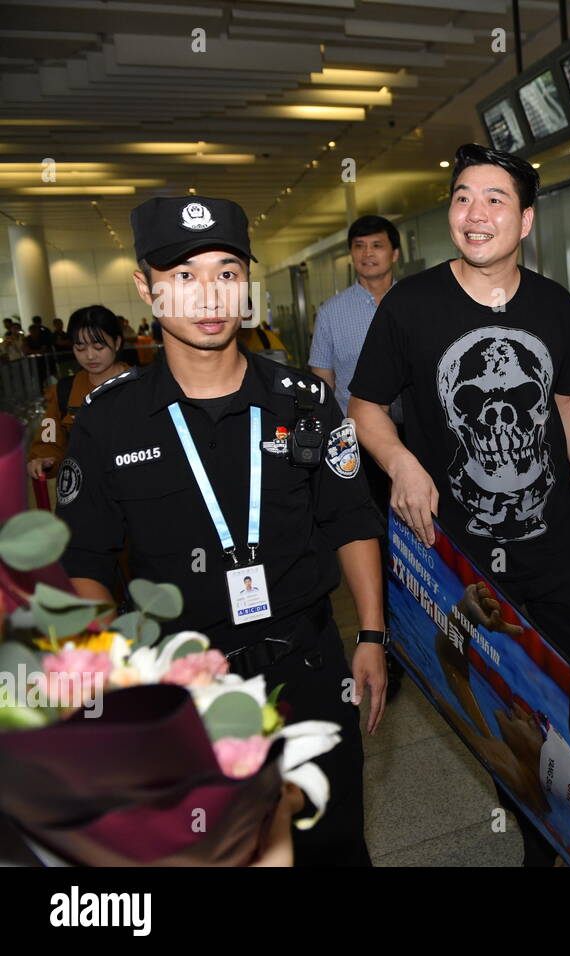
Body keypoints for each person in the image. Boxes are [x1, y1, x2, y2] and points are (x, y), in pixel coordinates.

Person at [56, 194, 388, 867]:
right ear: (145, 289)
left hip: (308, 664)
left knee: (332, 843)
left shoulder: (305, 402)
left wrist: (374, 635)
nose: (209, 295)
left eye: (228, 272)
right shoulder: (109, 423)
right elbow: (85, 560)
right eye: (183, 275)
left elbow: (348, 518)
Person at [349, 143, 570, 867]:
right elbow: (365, 407)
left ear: (525, 220)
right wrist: (399, 461)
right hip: (462, 557)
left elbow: (561, 403)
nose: (475, 212)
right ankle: (537, 840)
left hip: (556, 547)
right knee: (503, 705)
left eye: (495, 199)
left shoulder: (555, 303)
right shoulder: (411, 305)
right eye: (464, 197)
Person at [309, 214, 405, 699]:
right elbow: (323, 383)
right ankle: (387, 644)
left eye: (377, 246)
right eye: (360, 247)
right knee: (376, 542)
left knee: (424, 538)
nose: (368, 254)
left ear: (394, 253)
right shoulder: (331, 313)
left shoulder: (418, 302)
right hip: (357, 445)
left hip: (416, 441)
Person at [27, 305, 129, 481]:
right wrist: (42, 457)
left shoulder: (141, 384)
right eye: (80, 348)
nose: (89, 356)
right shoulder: (65, 391)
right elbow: (49, 434)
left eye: (98, 346)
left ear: (117, 342)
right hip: (88, 488)